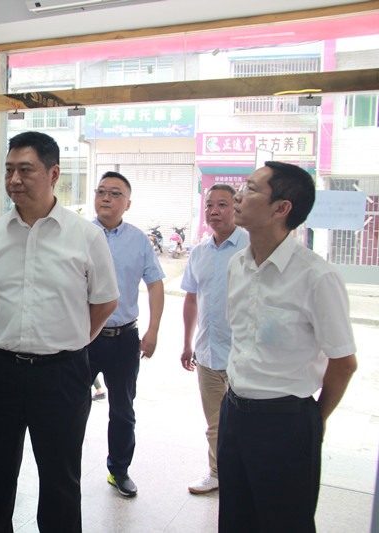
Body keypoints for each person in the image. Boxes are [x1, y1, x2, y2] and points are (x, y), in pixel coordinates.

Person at [0, 131, 119, 533]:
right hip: (0, 371)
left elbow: (105, 302)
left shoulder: (85, 235)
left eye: (25, 170)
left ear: (53, 174)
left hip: (62, 374)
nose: (14, 179)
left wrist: (70, 339)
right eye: (9, 170)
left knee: (60, 481)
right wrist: (15, 328)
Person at [218, 162, 358, 532]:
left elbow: (344, 362)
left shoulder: (317, 277)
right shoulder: (237, 264)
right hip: (234, 414)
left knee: (286, 523)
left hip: (286, 422)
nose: (238, 196)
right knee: (235, 518)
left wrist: (313, 421)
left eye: (251, 189)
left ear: (282, 208)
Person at [87, 171, 165, 497]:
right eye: (101, 191)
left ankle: (118, 470)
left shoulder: (139, 240)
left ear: (128, 203)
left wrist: (153, 330)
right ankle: (64, 469)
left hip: (124, 339)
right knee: (71, 406)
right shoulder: (79, 234)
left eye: (115, 193)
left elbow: (155, 284)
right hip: (84, 338)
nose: (106, 197)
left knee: (123, 410)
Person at [179, 184, 248, 495]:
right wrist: (187, 343)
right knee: (215, 424)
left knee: (246, 424)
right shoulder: (199, 252)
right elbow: (192, 299)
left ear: (236, 208)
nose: (214, 211)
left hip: (243, 356)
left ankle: (246, 476)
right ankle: (217, 473)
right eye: (209, 205)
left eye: (222, 204)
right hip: (207, 354)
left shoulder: (251, 247)